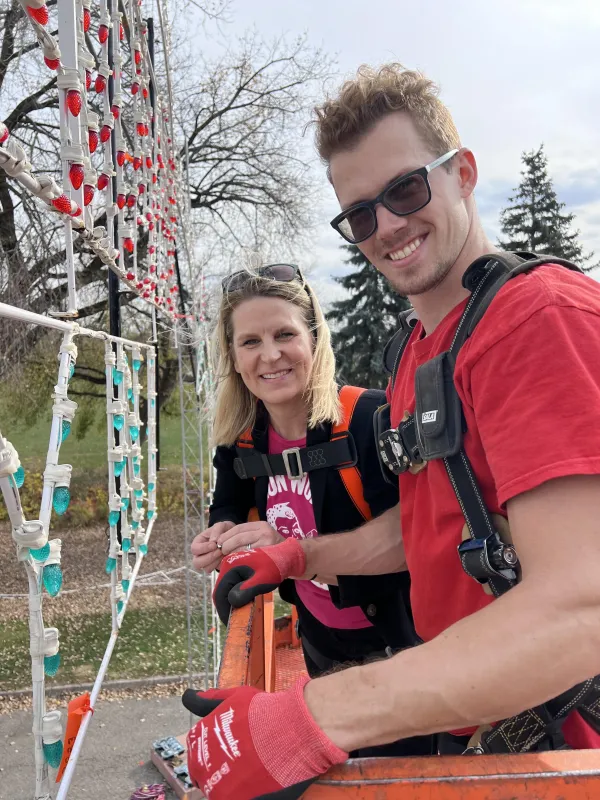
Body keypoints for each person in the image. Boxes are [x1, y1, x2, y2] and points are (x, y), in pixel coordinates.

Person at [182, 65, 600, 800]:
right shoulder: (417, 351)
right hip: (476, 720)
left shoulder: (537, 322)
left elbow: (581, 606)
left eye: (406, 190)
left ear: (463, 174)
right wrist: (298, 554)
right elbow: (427, 526)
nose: (388, 227)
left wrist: (305, 718)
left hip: (565, 749)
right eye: (360, 215)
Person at [189, 263, 426, 756]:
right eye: (250, 342)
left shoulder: (369, 419)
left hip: (402, 644)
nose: (270, 355)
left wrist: (289, 552)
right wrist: (221, 535)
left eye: (284, 334)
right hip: (320, 640)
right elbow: (228, 502)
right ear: (232, 357)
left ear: (314, 340)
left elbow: (411, 542)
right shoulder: (241, 439)